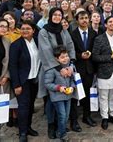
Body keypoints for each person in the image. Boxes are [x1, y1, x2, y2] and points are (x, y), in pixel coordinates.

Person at [37, 8, 76, 139]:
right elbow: (46, 50)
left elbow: (70, 46)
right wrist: (60, 68)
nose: (57, 17)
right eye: (55, 15)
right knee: (50, 99)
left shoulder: (63, 30)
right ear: (50, 16)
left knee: (64, 97)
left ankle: (62, 125)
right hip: (51, 69)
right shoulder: (44, 32)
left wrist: (71, 64)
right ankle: (51, 125)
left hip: (66, 67)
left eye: (59, 15)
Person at [9, 20, 40, 142]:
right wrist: (16, 84)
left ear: (33, 30)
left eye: (28, 28)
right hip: (22, 81)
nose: (25, 31)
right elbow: (12, 66)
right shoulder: (16, 45)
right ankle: (22, 132)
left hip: (34, 80)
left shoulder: (37, 42)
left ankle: (28, 127)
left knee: (31, 105)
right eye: (23, 28)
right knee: (23, 107)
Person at [92, 16, 113, 130]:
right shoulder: (99, 39)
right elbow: (95, 57)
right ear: (105, 24)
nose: (112, 24)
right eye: (110, 22)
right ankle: (104, 117)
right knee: (104, 96)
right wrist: (110, 57)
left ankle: (112, 114)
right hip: (104, 72)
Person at [69, 11, 97, 129]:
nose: (84, 20)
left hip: (89, 68)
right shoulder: (72, 34)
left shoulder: (93, 33)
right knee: (75, 96)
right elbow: (70, 50)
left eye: (86, 18)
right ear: (77, 20)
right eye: (82, 18)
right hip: (77, 68)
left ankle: (87, 116)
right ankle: (74, 120)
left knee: (86, 94)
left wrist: (91, 53)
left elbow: (95, 48)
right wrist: (80, 56)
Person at [44, 46, 75, 142]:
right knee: (62, 115)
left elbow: (73, 80)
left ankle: (59, 130)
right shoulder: (52, 70)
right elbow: (47, 84)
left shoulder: (70, 68)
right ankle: (62, 135)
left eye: (66, 56)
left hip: (68, 96)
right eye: (62, 57)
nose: (65, 58)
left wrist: (72, 87)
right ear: (56, 59)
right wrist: (59, 88)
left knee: (66, 115)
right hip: (57, 97)